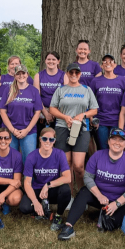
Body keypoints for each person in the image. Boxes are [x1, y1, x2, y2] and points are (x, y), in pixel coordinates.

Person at [58, 128, 125, 240]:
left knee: (109, 225)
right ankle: (68, 227)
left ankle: (105, 214)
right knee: (83, 192)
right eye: (114, 139)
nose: (117, 143)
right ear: (108, 141)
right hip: (100, 197)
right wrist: (99, 195)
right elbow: (88, 177)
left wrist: (117, 204)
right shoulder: (97, 155)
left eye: (121, 140)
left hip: (119, 201)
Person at [49, 63, 99, 205]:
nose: (73, 75)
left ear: (80, 74)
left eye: (76, 73)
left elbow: (94, 109)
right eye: (71, 72)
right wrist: (65, 117)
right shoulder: (60, 90)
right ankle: (69, 196)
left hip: (81, 129)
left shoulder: (86, 90)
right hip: (62, 128)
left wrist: (82, 115)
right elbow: (52, 109)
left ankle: (82, 196)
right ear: (67, 74)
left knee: (78, 166)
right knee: (67, 164)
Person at [20, 127, 71, 231]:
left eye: (51, 139)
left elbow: (68, 177)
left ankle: (57, 216)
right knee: (24, 207)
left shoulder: (59, 154)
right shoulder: (32, 156)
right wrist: (35, 201)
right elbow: (27, 182)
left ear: (54, 141)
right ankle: (40, 209)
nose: (48, 141)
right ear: (40, 139)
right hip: (38, 189)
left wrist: (48, 185)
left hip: (52, 189)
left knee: (66, 190)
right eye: (45, 139)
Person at [0, 64, 42, 164]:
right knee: (10, 160)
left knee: (29, 160)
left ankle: (27, 179)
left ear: (27, 75)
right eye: (18, 74)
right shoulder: (8, 90)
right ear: (15, 76)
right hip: (10, 130)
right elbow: (3, 111)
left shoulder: (34, 91)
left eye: (23, 73)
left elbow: (37, 112)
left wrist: (27, 130)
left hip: (29, 131)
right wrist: (12, 130)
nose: (21, 76)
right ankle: (12, 180)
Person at [91, 54, 125, 150]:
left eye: (111, 61)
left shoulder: (122, 80)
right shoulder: (96, 81)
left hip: (116, 121)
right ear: (101, 66)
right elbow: (89, 100)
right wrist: (92, 118)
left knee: (115, 148)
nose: (108, 63)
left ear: (115, 65)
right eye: (105, 62)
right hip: (101, 121)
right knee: (103, 148)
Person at [33, 52, 68, 134]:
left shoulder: (64, 75)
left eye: (53, 59)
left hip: (59, 111)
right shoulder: (38, 75)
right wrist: (45, 113)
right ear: (45, 61)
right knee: (41, 137)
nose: (51, 61)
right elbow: (36, 97)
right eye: (48, 59)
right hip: (42, 111)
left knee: (57, 139)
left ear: (58, 61)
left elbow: (65, 97)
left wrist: (54, 112)